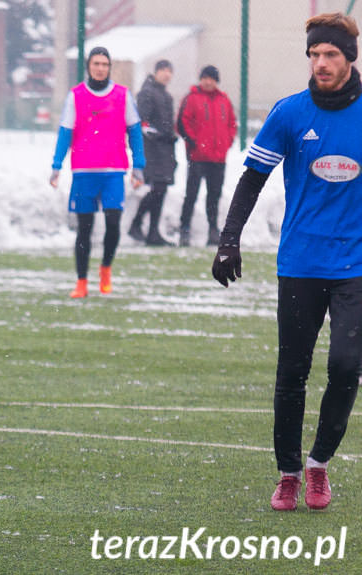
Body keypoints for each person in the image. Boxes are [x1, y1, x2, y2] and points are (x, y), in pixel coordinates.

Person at [212, 12, 362, 512]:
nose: (320, 63)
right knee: (291, 372)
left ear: (349, 59)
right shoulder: (290, 113)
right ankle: (289, 474)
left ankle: (319, 464)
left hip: (355, 267)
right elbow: (252, 178)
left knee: (346, 366)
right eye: (314, 55)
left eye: (330, 55)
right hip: (300, 262)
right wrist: (228, 239)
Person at [50, 46, 145, 298]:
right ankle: (81, 281)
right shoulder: (75, 95)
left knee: (113, 223)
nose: (100, 68)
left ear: (109, 67)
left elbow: (135, 131)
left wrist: (139, 165)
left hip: (113, 171)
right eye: (96, 64)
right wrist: (57, 165)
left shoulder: (123, 95)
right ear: (89, 67)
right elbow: (65, 132)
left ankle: (105, 269)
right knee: (84, 228)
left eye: (104, 64)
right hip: (83, 171)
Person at [177, 65, 237, 246]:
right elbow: (182, 122)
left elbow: (232, 124)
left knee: (214, 195)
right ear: (200, 79)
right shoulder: (192, 98)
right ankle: (184, 228)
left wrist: (227, 142)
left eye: (211, 78)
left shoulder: (224, 100)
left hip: (218, 157)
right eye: (205, 78)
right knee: (191, 194)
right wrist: (193, 143)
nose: (208, 81)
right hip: (197, 157)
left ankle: (213, 229)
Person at [129, 59, 177, 246]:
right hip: (153, 150)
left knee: (161, 189)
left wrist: (169, 137)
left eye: (170, 71)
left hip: (165, 150)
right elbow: (143, 123)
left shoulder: (166, 95)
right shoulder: (147, 93)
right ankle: (137, 224)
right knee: (158, 188)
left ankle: (152, 232)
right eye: (164, 70)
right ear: (156, 72)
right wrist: (159, 137)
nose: (167, 74)